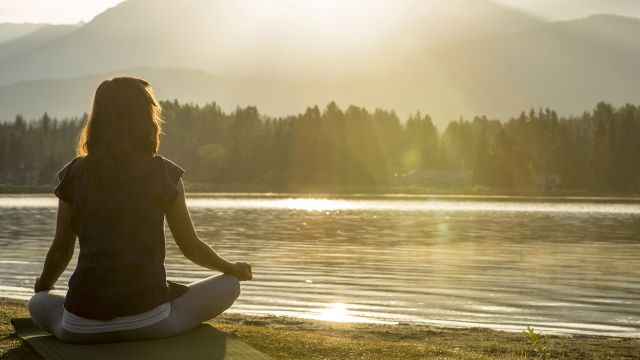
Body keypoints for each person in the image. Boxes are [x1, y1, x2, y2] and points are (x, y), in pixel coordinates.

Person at [27, 77, 252, 344]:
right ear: (146, 117)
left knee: (38, 301)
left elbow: (61, 249)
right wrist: (232, 268)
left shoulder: (73, 174)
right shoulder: (164, 173)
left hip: (80, 328)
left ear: (98, 118)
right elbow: (191, 247)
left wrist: (44, 285)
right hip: (151, 322)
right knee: (229, 285)